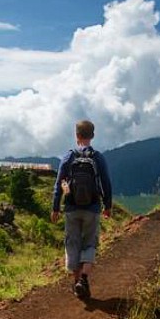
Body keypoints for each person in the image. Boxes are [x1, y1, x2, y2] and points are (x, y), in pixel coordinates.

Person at [51, 120, 113, 299]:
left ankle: (77, 282)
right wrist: (107, 206)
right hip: (92, 207)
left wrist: (56, 207)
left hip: (71, 207)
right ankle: (83, 279)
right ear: (92, 136)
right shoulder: (97, 157)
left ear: (76, 135)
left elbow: (58, 184)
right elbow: (106, 183)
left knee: (73, 243)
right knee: (89, 243)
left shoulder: (68, 157)